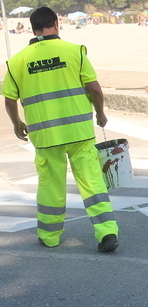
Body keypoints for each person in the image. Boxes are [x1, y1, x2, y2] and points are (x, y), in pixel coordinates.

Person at [2, 7, 119, 252]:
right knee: (92, 184)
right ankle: (107, 232)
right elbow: (95, 89)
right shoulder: (74, 51)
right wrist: (100, 113)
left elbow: (9, 99)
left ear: (33, 28)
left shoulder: (17, 61)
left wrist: (17, 123)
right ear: (56, 24)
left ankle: (49, 235)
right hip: (80, 134)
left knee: (50, 186)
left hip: (45, 137)